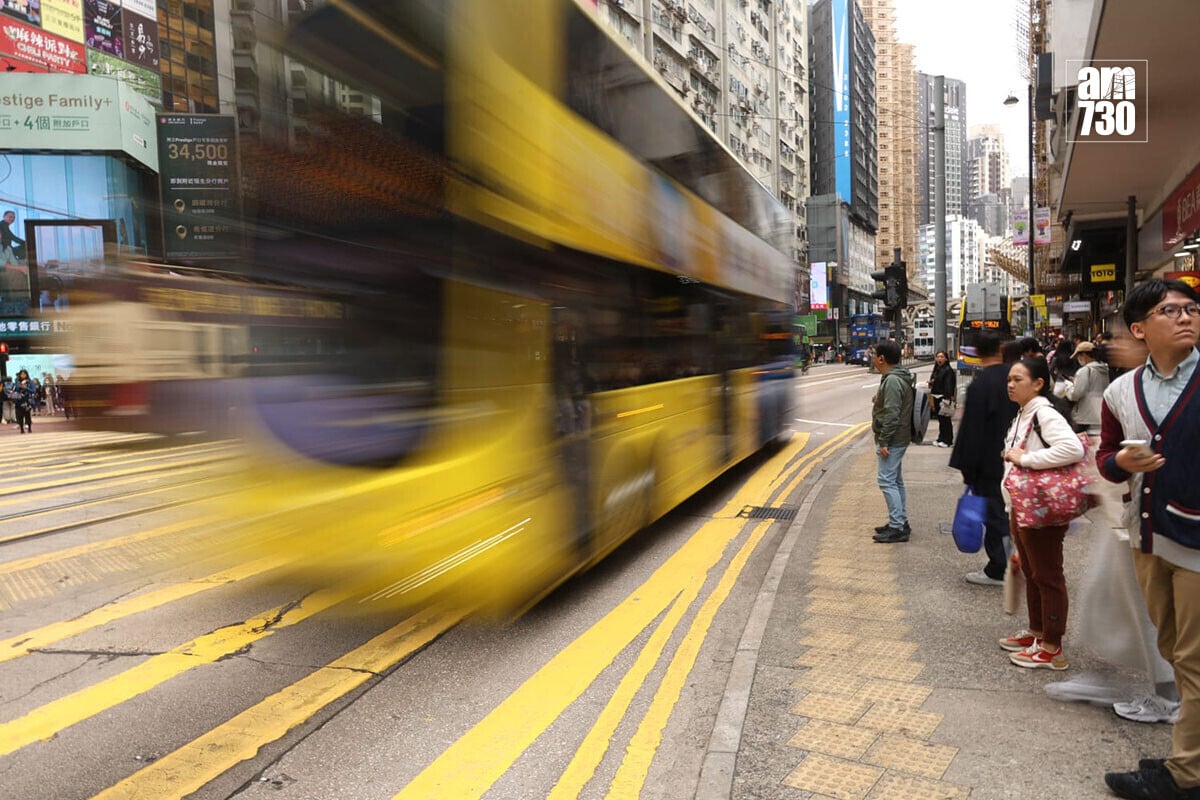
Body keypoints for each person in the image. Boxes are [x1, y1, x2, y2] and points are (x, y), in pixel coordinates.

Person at [1097, 278, 1200, 800]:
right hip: (1150, 538)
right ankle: (1190, 750)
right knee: (1174, 649)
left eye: (1190, 309)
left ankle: (1186, 775)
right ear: (1140, 328)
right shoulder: (1120, 391)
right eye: (1169, 310)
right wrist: (1120, 461)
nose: (1185, 317)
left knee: (1195, 657)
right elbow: (1107, 459)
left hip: (1198, 546)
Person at [997, 356, 1086, 670]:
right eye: (1009, 379)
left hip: (1041, 508)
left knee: (1047, 576)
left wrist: (1025, 459)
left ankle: (1052, 648)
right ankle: (1037, 633)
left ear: (1038, 384)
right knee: (1033, 574)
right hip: (1021, 506)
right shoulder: (1025, 412)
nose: (1010, 384)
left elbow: (1073, 449)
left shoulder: (1044, 412)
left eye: (1018, 379)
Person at [951, 330, 1018, 586]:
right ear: (1002, 348)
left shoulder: (980, 384)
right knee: (1011, 512)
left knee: (995, 515)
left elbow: (971, 430)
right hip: (1017, 457)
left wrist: (967, 467)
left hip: (989, 463)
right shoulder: (1015, 377)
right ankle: (1013, 560)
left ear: (976, 353)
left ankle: (999, 567)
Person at [870, 340, 915, 544]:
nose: (872, 358)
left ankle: (897, 527)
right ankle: (900, 521)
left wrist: (884, 441)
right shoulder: (895, 378)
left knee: (886, 481)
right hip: (900, 436)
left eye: (874, 355)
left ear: (881, 358)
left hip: (893, 439)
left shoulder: (892, 381)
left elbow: (892, 415)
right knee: (895, 480)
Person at [1065, 341, 1109, 438]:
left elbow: (1075, 394)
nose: (1078, 360)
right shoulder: (1104, 369)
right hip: (1100, 413)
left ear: (1084, 355)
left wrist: (1068, 386)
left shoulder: (1085, 371)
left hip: (1085, 416)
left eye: (1078, 356)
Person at [927, 350, 956, 447]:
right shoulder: (937, 369)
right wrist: (931, 382)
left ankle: (947, 440)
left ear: (946, 359)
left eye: (941, 357)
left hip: (943, 397)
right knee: (940, 419)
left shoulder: (948, 370)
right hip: (936, 395)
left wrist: (947, 398)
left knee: (945, 419)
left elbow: (949, 384)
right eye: (938, 357)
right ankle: (941, 438)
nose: (939, 359)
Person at [8, 369, 36, 433]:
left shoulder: (30, 381)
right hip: (18, 400)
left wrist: (25, 388)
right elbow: (16, 389)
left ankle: (29, 427)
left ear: (26, 374)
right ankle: (21, 429)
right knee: (19, 415)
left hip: (27, 401)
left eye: (24, 374)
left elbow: (33, 390)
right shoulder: (17, 381)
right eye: (21, 374)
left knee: (27, 415)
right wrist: (19, 386)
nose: (23, 375)